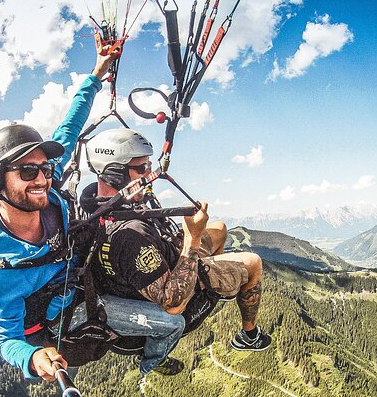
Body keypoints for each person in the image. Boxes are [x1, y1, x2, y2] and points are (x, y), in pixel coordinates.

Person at [0, 46, 119, 382]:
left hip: (76, 279)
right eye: (28, 172)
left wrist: (97, 72)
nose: (43, 178)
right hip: (61, 316)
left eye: (45, 168)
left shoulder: (44, 186)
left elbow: (68, 130)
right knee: (165, 319)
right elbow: (6, 339)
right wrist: (32, 358)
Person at [78, 128, 271, 375]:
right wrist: (192, 238)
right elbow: (173, 305)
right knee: (253, 262)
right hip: (172, 282)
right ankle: (249, 335)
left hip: (162, 257)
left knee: (220, 228)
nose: (150, 174)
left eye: (148, 166)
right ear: (115, 173)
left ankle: (219, 281)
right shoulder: (128, 236)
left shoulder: (93, 203)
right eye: (141, 169)